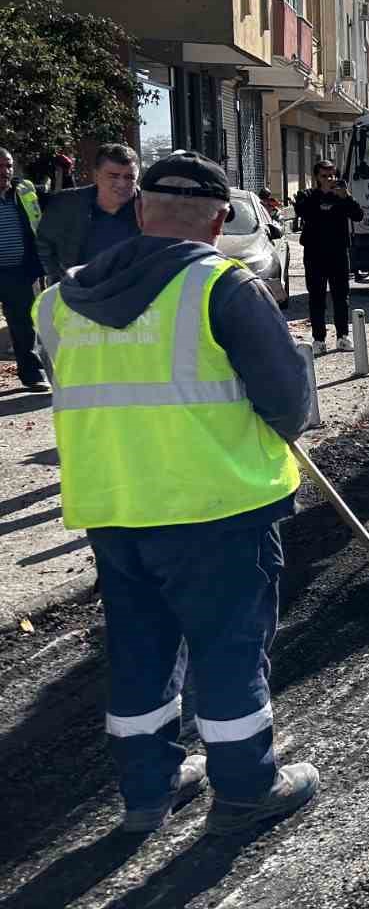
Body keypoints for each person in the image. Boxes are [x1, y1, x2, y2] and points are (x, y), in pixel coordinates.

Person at [31, 152, 318, 836]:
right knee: (228, 650)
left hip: (115, 509)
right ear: (219, 220)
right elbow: (290, 404)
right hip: (218, 508)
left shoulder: (55, 305)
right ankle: (246, 786)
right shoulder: (225, 287)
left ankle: (148, 790)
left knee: (139, 650)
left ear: (139, 211)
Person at [35, 142, 140, 283]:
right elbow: (44, 243)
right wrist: (57, 278)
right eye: (114, 176)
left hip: (133, 295)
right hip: (78, 295)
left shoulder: (150, 209)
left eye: (129, 177)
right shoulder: (67, 204)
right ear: (96, 175)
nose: (122, 184)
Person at [292, 160, 363, 355]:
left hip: (339, 253)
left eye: (332, 175)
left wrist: (346, 197)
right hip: (315, 254)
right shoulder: (307, 196)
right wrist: (323, 198)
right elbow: (303, 211)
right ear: (317, 177)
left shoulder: (342, 196)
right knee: (317, 298)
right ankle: (319, 339)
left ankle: (342, 336)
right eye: (324, 176)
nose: (329, 179)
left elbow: (358, 215)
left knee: (341, 296)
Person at [0, 147, 49, 391]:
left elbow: (57, 199)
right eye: (0, 166)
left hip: (19, 271)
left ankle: (33, 375)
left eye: (8, 165)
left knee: (23, 324)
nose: (5, 171)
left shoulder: (24, 190)